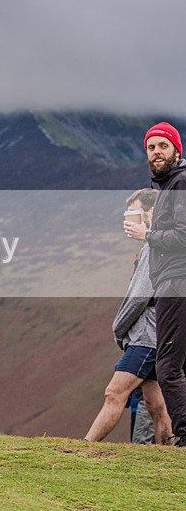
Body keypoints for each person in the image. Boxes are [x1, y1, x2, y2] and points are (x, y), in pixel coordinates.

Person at [84, 188, 172, 443]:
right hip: (157, 335)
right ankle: (168, 456)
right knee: (155, 404)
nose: (128, 219)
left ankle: (83, 449)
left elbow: (139, 298)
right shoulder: (158, 247)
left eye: (133, 213)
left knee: (115, 392)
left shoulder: (153, 249)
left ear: (151, 213)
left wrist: (118, 329)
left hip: (146, 338)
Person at [125, 122, 186, 447]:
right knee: (174, 365)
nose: (156, 152)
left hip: (177, 282)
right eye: (151, 147)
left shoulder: (179, 183)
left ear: (177, 150)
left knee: (168, 366)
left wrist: (146, 235)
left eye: (163, 146)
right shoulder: (170, 186)